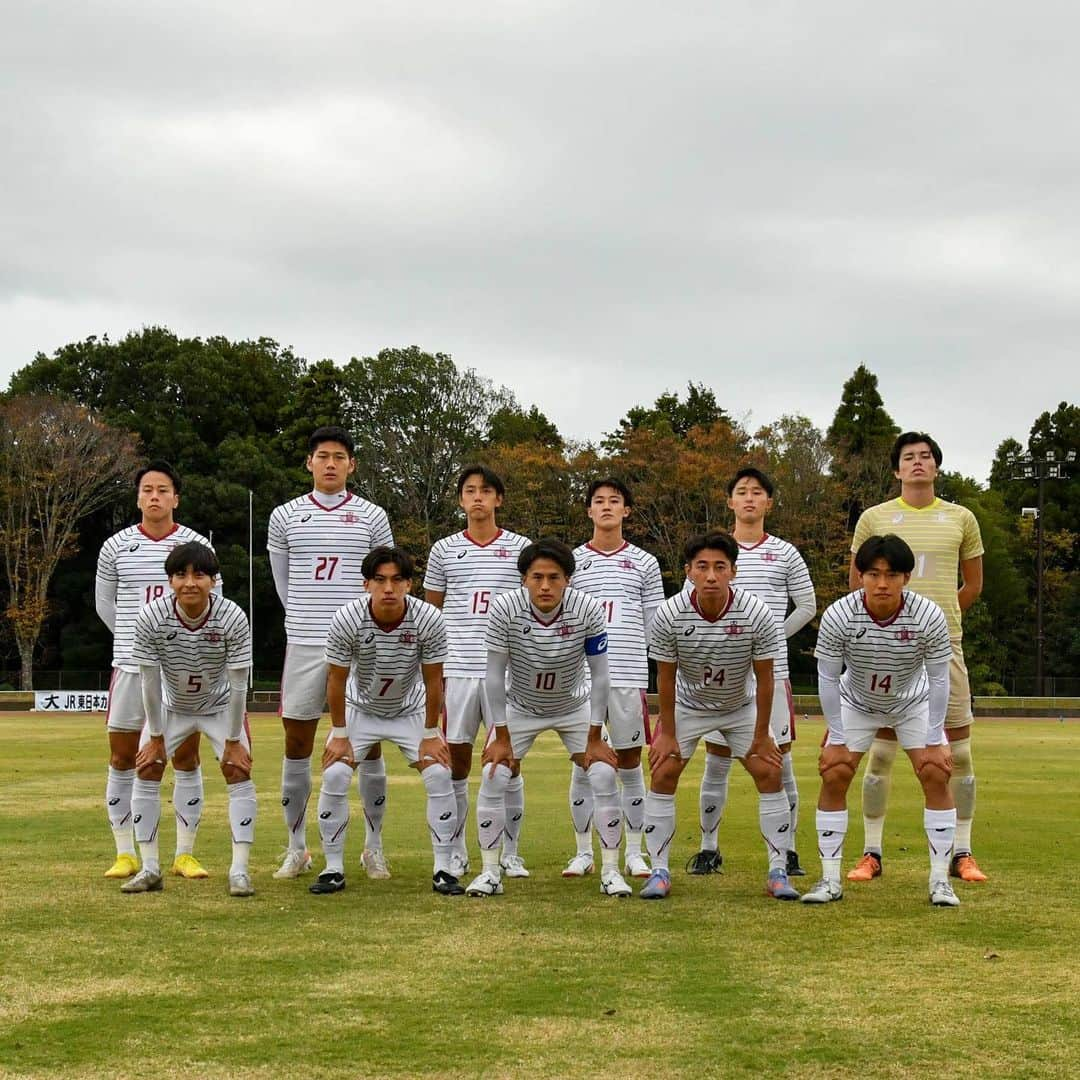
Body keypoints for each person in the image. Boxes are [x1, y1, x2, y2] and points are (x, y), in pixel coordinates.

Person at [847, 432, 986, 884]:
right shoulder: (874, 517)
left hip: (945, 646)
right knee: (882, 754)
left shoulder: (961, 517)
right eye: (909, 457)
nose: (918, 463)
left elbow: (973, 587)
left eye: (926, 456)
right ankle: (871, 853)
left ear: (937, 466)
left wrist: (929, 623)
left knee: (959, 755)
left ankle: (961, 853)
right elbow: (858, 586)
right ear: (896, 469)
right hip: (886, 653)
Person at [463, 539, 628, 898]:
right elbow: (494, 674)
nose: (545, 585)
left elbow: (600, 675)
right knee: (494, 775)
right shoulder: (505, 608)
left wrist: (596, 735)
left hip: (574, 707)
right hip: (520, 706)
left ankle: (612, 872)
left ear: (568, 579)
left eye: (554, 577)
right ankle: (490, 872)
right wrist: (502, 736)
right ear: (523, 579)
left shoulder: (587, 609)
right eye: (537, 577)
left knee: (602, 773)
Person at [802, 534, 959, 907]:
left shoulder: (928, 615)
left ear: (907, 577)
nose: (882, 583)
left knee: (937, 771)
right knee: (835, 771)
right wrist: (837, 735)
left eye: (891, 574)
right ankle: (829, 880)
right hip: (856, 701)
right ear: (860, 576)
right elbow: (826, 676)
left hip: (912, 701)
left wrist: (936, 736)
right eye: (873, 573)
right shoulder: (840, 614)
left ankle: (940, 881)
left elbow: (939, 678)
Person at [640, 531, 796, 901]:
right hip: (688, 705)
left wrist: (761, 735)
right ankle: (659, 870)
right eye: (702, 567)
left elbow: (765, 677)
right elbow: (665, 676)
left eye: (719, 567)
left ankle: (778, 870)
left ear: (733, 572)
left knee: (769, 770)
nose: (711, 575)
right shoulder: (669, 614)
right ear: (688, 572)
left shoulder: (757, 612)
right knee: (664, 769)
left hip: (739, 707)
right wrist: (667, 733)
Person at [267, 426, 394, 880]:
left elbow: (384, 578)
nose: (331, 464)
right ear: (309, 462)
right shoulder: (284, 516)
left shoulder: (372, 516)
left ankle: (373, 847)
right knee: (297, 744)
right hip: (304, 641)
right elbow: (283, 582)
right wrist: (309, 619)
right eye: (323, 456)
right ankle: (297, 848)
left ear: (351, 465)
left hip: (364, 644)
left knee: (370, 745)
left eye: (339, 456)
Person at [309, 547, 461, 896]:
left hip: (410, 710)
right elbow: (335, 679)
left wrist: (431, 732)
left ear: (409, 584)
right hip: (361, 709)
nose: (388, 588)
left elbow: (435, 679)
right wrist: (340, 733)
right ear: (366, 584)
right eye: (380, 580)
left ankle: (443, 869)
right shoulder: (346, 618)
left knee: (439, 772)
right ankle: (332, 868)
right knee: (335, 772)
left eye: (396, 580)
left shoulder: (429, 619)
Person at [687, 468, 816, 877]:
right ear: (729, 501)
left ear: (768, 502)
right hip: (717, 673)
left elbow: (807, 606)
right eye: (740, 491)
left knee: (780, 761)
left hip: (769, 673)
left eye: (756, 492)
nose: (748, 498)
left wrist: (770, 638)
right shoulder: (711, 552)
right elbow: (688, 605)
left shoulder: (785, 552)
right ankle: (709, 849)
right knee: (717, 761)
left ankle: (788, 851)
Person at [95, 460, 217, 880]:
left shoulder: (197, 545)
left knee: (185, 755)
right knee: (123, 756)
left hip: (181, 670)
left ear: (176, 497)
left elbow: (207, 601)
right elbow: (105, 604)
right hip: (129, 666)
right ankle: (125, 852)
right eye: (147, 489)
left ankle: (185, 854)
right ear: (137, 497)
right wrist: (138, 640)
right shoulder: (115, 547)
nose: (154, 496)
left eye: (163, 490)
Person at [121, 543, 256, 897]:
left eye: (199, 575)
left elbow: (239, 682)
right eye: (181, 574)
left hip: (220, 706)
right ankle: (150, 868)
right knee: (147, 768)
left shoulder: (233, 616)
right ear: (170, 580)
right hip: (171, 707)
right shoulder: (151, 617)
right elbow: (149, 679)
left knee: (237, 770)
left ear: (214, 580)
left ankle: (239, 870)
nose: (190, 583)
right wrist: (155, 735)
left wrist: (232, 740)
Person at [423, 466, 531, 879]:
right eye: (470, 491)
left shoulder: (521, 548)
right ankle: (455, 851)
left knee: (509, 762)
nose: (478, 498)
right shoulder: (444, 550)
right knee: (457, 763)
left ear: (499, 499)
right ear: (460, 500)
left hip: (507, 671)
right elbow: (430, 614)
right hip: (458, 669)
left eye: (486, 491)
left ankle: (511, 852)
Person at [563, 478, 664, 880]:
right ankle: (584, 852)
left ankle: (635, 853)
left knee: (629, 763)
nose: (606, 506)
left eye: (615, 501)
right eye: (598, 501)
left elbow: (655, 624)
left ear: (626, 511)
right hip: (582, 680)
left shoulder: (645, 562)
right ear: (588, 511)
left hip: (628, 675)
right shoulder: (572, 562)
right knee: (584, 763)